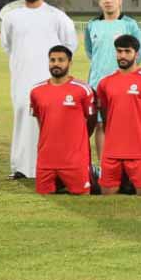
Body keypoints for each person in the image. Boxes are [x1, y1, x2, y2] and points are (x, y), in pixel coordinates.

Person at [1, 0, 78, 179]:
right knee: (21, 120)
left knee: (50, 123)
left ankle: (51, 167)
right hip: (21, 79)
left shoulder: (57, 16)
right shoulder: (11, 18)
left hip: (49, 80)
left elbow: (69, 46)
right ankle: (20, 167)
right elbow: (8, 46)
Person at [95, 35, 141, 196]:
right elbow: (105, 114)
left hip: (140, 151)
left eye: (127, 51)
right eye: (119, 51)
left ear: (136, 53)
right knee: (106, 192)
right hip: (112, 151)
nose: (122, 55)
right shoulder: (105, 83)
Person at [84, 0, 141, 166]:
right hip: (97, 83)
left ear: (120, 0)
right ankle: (105, 167)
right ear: (99, 1)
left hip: (123, 83)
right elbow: (90, 51)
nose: (108, 1)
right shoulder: (92, 25)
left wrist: (125, 72)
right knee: (100, 125)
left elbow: (139, 52)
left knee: (123, 125)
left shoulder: (130, 24)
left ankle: (125, 164)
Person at [30, 45, 96, 195]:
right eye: (52, 60)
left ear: (70, 63)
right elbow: (41, 121)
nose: (56, 64)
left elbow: (91, 119)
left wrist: (80, 139)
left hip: (75, 161)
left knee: (82, 195)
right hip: (46, 160)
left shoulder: (83, 89)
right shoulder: (36, 91)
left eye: (61, 60)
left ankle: (91, 172)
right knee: (43, 196)